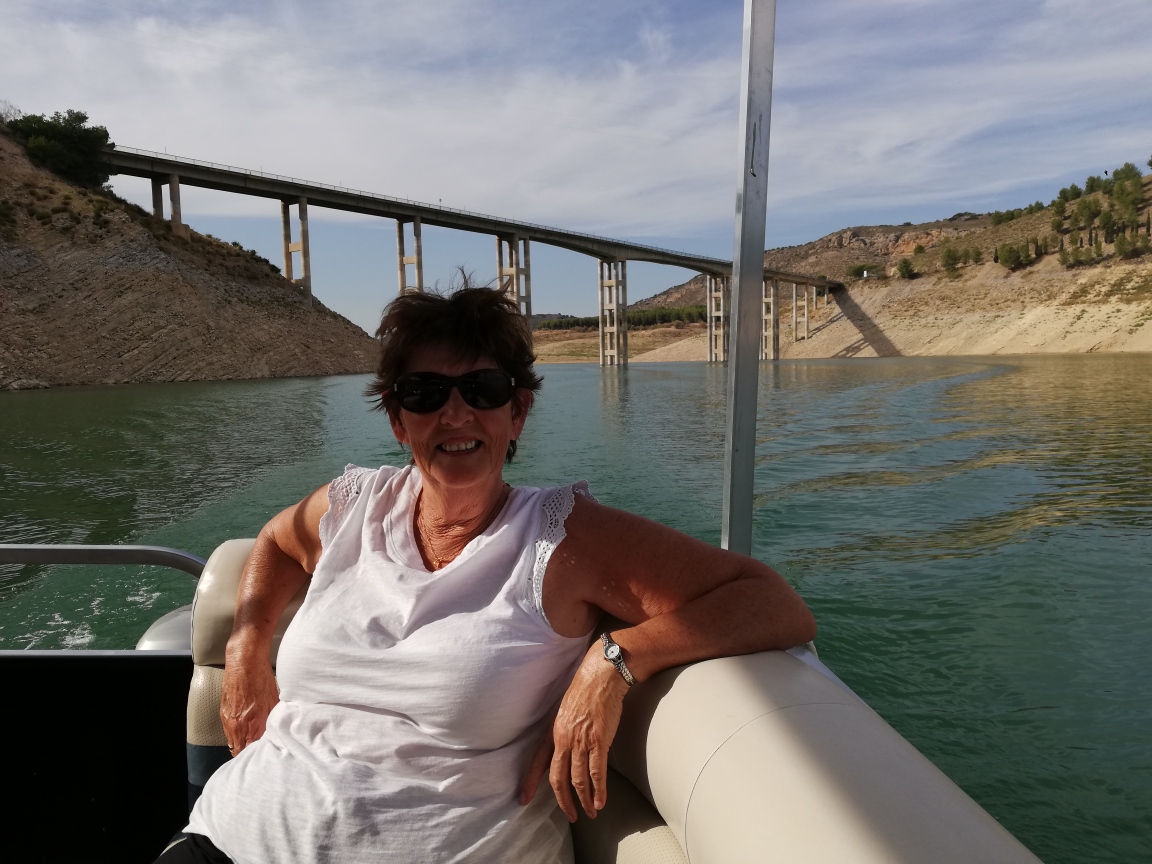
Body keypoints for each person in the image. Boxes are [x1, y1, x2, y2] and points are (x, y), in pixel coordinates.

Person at [156, 286, 816, 864]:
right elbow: (275, 543)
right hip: (228, 838)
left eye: (484, 390)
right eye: (424, 394)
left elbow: (771, 602)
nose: (455, 414)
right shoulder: (353, 505)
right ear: (398, 419)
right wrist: (247, 649)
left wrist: (614, 662)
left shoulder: (563, 536)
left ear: (517, 411)